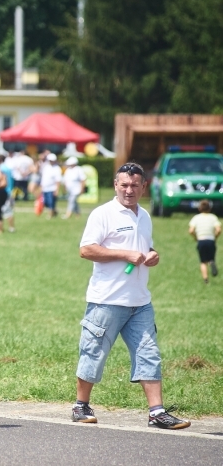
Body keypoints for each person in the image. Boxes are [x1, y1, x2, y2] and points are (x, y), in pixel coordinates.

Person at [73, 162, 190, 430]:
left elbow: (142, 245)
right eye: (124, 185)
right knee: (93, 352)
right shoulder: (103, 214)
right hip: (107, 300)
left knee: (149, 354)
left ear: (143, 187)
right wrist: (124, 255)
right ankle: (81, 406)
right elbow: (86, 250)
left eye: (135, 185)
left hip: (140, 301)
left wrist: (152, 254)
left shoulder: (144, 216)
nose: (129, 190)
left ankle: (157, 412)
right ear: (115, 185)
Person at [188, 200, 221, 284]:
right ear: (210, 208)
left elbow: (191, 230)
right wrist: (215, 237)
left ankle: (206, 280)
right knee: (210, 258)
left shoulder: (196, 218)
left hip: (201, 240)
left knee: (203, 261)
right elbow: (218, 230)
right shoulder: (213, 217)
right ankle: (212, 262)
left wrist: (196, 237)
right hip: (211, 240)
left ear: (199, 208)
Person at [40, 153, 61, 219]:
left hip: (52, 188)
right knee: (45, 202)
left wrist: (57, 190)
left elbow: (58, 180)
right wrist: (41, 186)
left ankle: (50, 214)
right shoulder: (46, 167)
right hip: (45, 188)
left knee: (51, 202)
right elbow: (44, 178)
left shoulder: (57, 168)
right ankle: (54, 212)